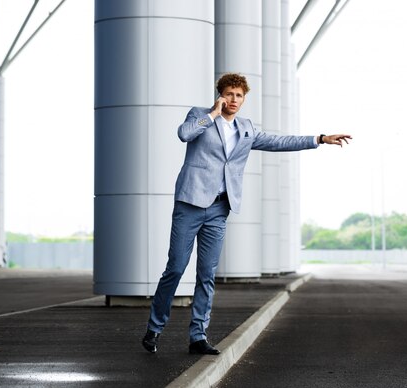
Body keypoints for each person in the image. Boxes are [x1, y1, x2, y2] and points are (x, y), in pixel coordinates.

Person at [142, 73, 351, 355]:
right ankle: (155, 328)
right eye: (229, 94)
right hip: (190, 204)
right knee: (176, 269)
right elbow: (184, 134)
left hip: (219, 208)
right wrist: (213, 114)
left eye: (239, 96)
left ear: (244, 98)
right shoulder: (201, 115)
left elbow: (279, 142)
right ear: (220, 94)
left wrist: (321, 138)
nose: (233, 100)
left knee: (207, 274)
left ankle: (198, 336)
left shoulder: (247, 129)